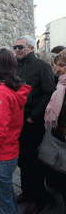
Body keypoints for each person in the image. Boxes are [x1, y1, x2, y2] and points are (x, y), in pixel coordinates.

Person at [0, 48, 32, 214]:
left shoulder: (2, 92)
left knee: (4, 203)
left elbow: (0, 129)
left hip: (1, 155)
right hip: (10, 151)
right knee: (7, 195)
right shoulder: (12, 88)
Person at [14, 35, 56, 214]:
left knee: (34, 162)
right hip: (18, 123)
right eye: (15, 47)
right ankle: (27, 191)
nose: (17, 50)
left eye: (20, 47)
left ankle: (38, 199)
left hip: (33, 123)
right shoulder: (15, 67)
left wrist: (33, 116)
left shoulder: (42, 66)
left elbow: (49, 92)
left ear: (31, 48)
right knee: (23, 160)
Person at [44, 49, 66, 210]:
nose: (57, 69)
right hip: (59, 143)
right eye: (56, 65)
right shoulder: (60, 86)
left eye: (62, 66)